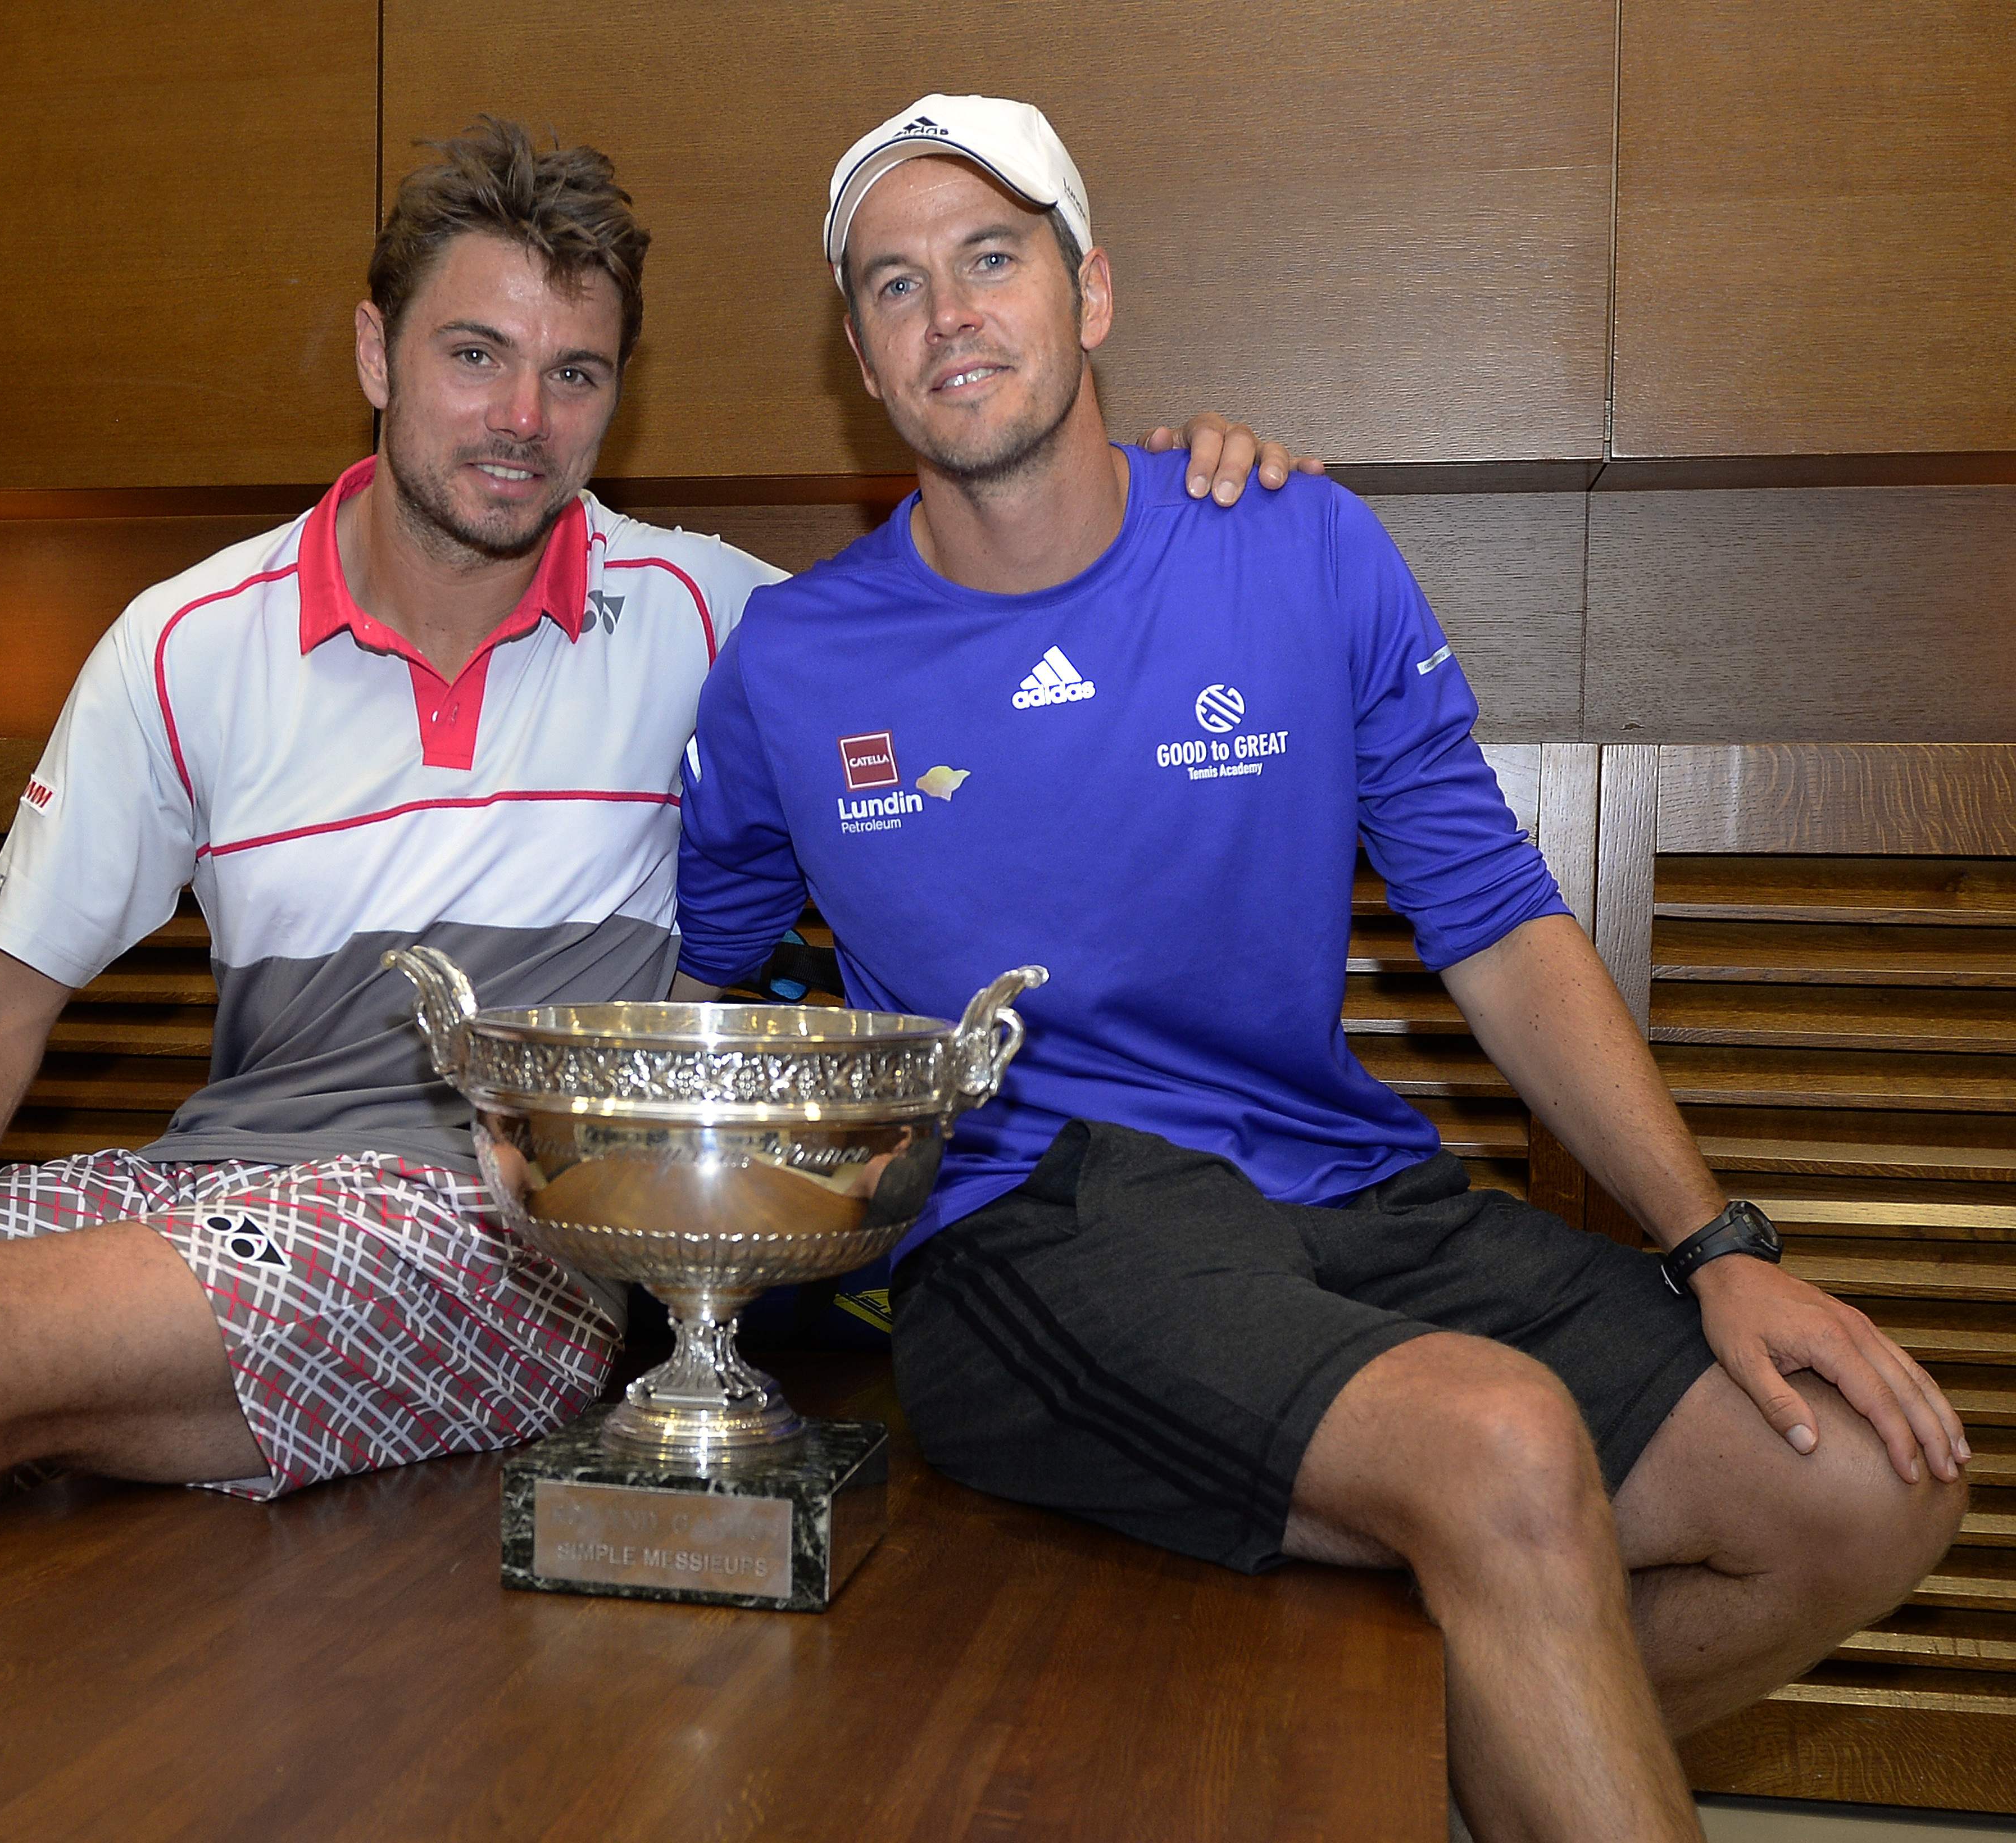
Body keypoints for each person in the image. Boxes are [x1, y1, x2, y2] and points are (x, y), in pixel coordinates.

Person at [0, 116, 1302, 1614]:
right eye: (474, 355)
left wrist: (1162, 489)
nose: (523, 419)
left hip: (501, 1237)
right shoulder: (185, 644)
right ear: (375, 351)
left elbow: (976, 616)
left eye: (576, 374)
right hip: (216, 1190)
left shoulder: (720, 623)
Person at [671, 94, 1966, 1843]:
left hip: (1343, 1184)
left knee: (1869, 1485)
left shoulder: (1297, 542)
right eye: (896, 287)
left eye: (992, 259)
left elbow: (1497, 920)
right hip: (1030, 1219)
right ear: (863, 357)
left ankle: (1369, 1780)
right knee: (1501, 1446)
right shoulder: (793, 659)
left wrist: (1711, 1241)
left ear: (1092, 293)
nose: (950, 313)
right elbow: (706, 987)